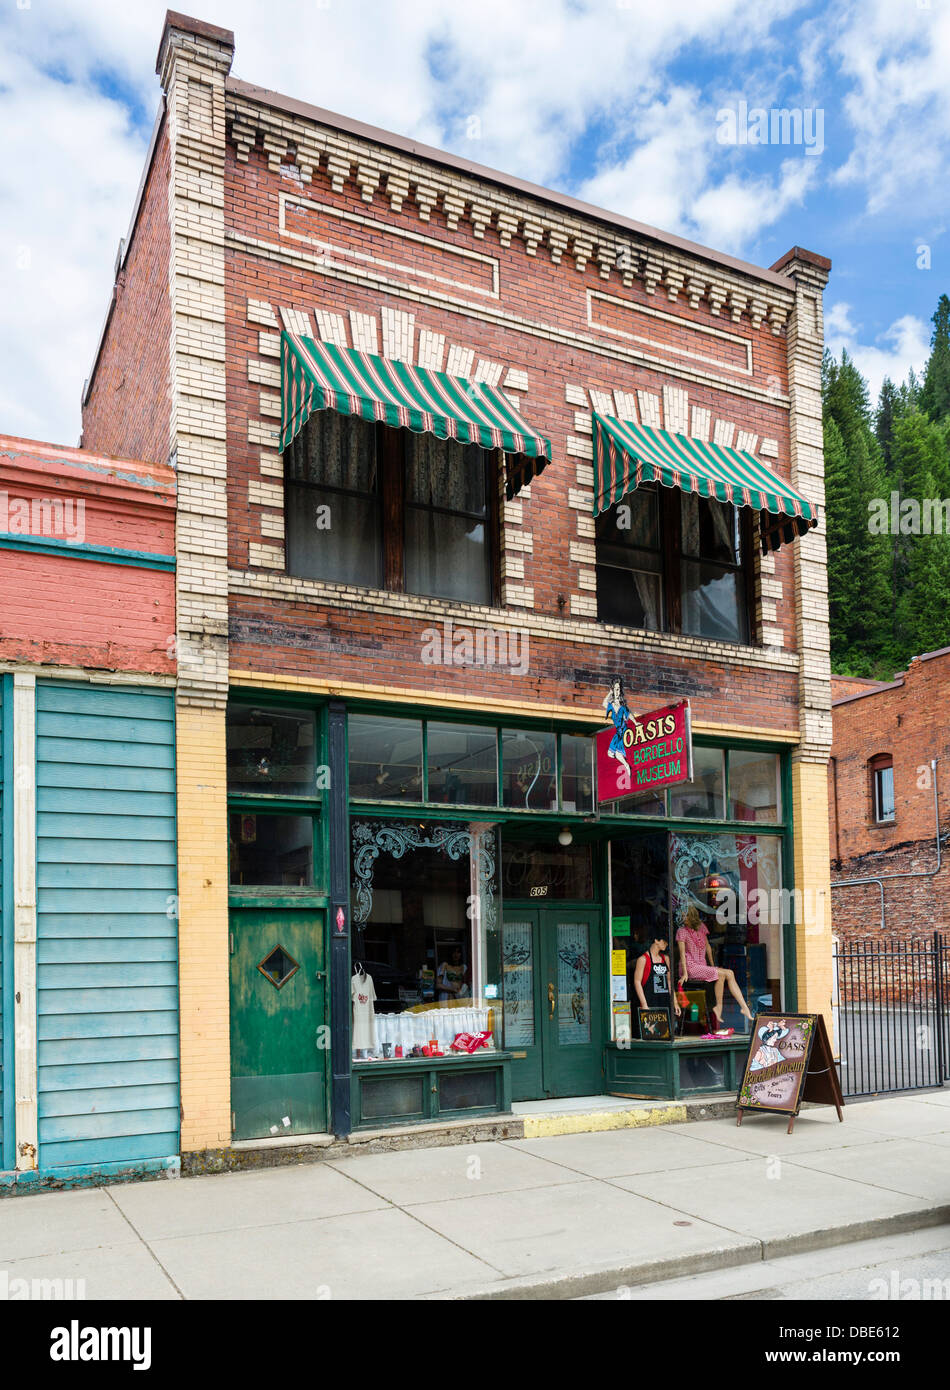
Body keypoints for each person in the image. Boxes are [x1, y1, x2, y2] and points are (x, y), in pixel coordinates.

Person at [676, 904, 753, 1028]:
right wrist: (685, 973)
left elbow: (708, 948)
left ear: (691, 915)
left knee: (727, 974)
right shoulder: (681, 931)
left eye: (684, 915)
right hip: (690, 967)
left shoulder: (701, 927)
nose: (682, 917)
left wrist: (713, 966)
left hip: (702, 966)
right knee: (724, 973)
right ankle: (725, 1007)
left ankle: (739, 1008)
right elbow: (682, 954)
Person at [633, 930, 681, 1036]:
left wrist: (675, 1002)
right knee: (650, 1034)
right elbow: (637, 982)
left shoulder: (666, 959)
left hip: (664, 1001)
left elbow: (669, 981)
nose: (666, 944)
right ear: (656, 941)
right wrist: (644, 1004)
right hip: (650, 1002)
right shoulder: (643, 959)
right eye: (664, 941)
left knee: (665, 1034)